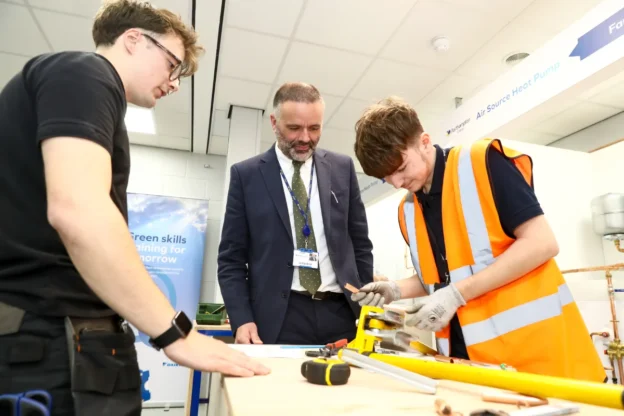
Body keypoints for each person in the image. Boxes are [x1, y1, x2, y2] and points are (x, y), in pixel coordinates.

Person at [0, 1, 268, 415]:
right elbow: (78, 211)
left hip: (55, 336)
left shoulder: (84, 90)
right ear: (133, 40)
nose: (175, 83)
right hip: (49, 340)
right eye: (173, 66)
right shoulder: (84, 74)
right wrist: (177, 334)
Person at [350, 96, 605, 382]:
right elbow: (438, 279)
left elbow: (542, 243)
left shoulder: (481, 161)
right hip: (469, 364)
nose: (397, 183)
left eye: (400, 169)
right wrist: (394, 290)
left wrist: (457, 294)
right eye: (386, 177)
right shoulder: (407, 209)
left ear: (423, 142)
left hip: (537, 356)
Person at [218, 82, 374, 346]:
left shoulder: (342, 168)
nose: (305, 138)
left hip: (340, 314)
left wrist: (367, 310)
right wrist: (242, 318)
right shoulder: (246, 176)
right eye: (294, 128)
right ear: (274, 122)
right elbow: (231, 260)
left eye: (314, 128)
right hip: (278, 317)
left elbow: (360, 245)